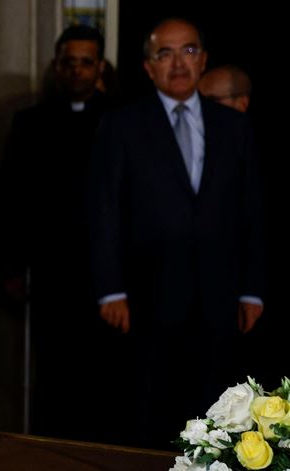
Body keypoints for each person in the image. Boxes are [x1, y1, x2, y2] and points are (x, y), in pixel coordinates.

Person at [89, 18, 264, 449]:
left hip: (220, 298)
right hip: (147, 296)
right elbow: (103, 210)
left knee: (220, 415)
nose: (178, 62)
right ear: (149, 67)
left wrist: (252, 290)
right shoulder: (121, 126)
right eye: (164, 53)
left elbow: (252, 212)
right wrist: (110, 289)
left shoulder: (235, 127)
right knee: (150, 416)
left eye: (187, 51)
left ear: (203, 60)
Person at [0, 25, 117, 442]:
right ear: (56, 66)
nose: (78, 71)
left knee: (106, 376)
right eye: (69, 62)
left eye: (87, 62)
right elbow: (10, 199)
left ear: (99, 67)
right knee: (52, 373)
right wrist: (10, 266)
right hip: (51, 270)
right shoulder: (31, 123)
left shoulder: (122, 121)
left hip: (110, 276)